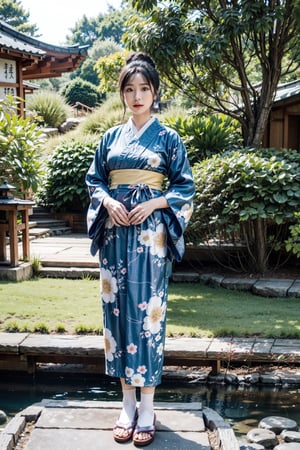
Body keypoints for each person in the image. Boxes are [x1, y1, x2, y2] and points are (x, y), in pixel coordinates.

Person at [86, 52, 194, 447]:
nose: (136, 95)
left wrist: (155, 202)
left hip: (151, 237)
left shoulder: (168, 138)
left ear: (154, 93)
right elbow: (94, 181)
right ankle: (126, 403)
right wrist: (107, 202)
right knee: (115, 313)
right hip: (115, 235)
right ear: (122, 94)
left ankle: (148, 406)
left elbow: (185, 187)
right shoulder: (109, 138)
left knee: (148, 316)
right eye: (129, 89)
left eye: (143, 88)